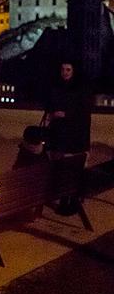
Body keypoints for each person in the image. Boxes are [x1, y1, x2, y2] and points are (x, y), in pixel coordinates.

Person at [45, 60, 91, 214]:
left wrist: (66, 114)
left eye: (68, 69)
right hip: (60, 135)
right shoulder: (57, 87)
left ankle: (72, 200)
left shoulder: (79, 90)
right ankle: (65, 199)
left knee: (72, 168)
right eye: (63, 69)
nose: (65, 72)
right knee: (63, 167)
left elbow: (83, 114)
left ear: (73, 71)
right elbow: (51, 107)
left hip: (74, 137)